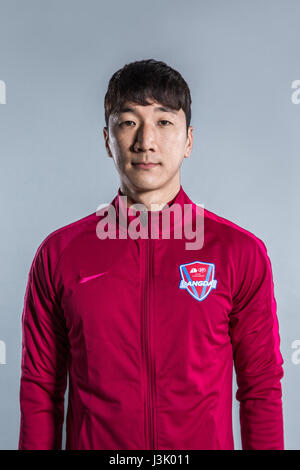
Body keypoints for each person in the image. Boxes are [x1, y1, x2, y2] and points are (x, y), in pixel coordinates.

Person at [18, 59, 284, 450]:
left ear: (189, 140)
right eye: (128, 122)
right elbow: (41, 387)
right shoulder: (60, 254)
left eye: (163, 122)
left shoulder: (239, 253)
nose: (146, 141)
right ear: (107, 140)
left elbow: (260, 384)